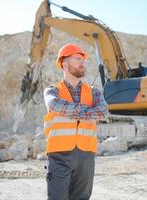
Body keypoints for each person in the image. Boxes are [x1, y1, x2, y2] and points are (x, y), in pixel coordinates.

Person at [43, 43, 108, 200]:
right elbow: (54, 105)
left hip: (86, 155)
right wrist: (86, 111)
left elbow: (103, 111)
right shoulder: (53, 90)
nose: (82, 63)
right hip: (59, 155)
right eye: (77, 59)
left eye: (83, 60)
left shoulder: (94, 92)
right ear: (64, 64)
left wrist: (72, 112)